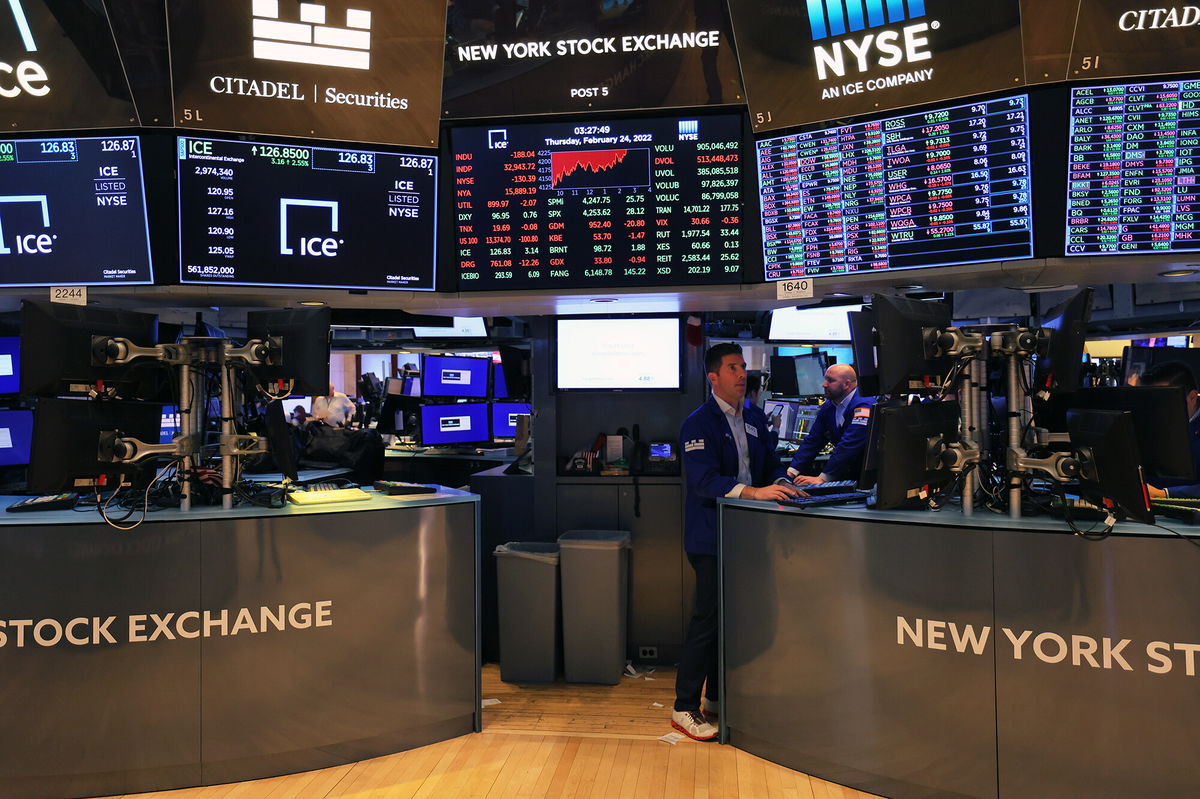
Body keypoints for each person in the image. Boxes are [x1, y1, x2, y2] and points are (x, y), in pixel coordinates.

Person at [673, 343, 799, 741]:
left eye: (743, 367)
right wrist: (753, 492)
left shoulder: (756, 418)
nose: (742, 374)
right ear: (713, 377)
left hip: (747, 536)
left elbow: (771, 464)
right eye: (732, 368)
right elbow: (704, 482)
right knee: (707, 621)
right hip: (711, 537)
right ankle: (684, 707)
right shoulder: (699, 423)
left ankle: (715, 699)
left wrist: (780, 482)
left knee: (732, 621)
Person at [788, 363, 875, 485]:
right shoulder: (829, 405)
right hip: (844, 472)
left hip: (866, 475)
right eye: (825, 379)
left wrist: (823, 478)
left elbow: (849, 445)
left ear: (847, 384)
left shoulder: (864, 405)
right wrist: (791, 472)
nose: (824, 384)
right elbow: (813, 440)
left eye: (830, 380)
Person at [1141, 362, 1200, 500]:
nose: (1157, 409)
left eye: (1164, 400)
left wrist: (1164, 494)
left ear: (1192, 397)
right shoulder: (1150, 424)